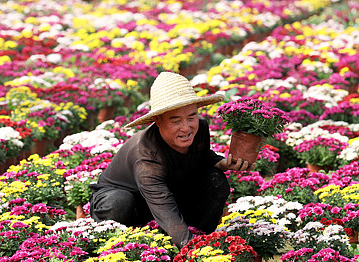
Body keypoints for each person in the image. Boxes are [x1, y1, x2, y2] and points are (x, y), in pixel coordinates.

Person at [89, 71, 253, 248]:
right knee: (119, 204)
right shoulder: (147, 158)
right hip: (129, 200)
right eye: (176, 121)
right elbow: (163, 205)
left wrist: (224, 163)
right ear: (158, 120)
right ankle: (121, 247)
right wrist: (190, 249)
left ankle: (201, 236)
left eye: (191, 117)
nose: (186, 128)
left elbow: (202, 156)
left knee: (216, 179)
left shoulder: (200, 128)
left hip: (167, 192)